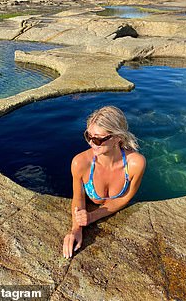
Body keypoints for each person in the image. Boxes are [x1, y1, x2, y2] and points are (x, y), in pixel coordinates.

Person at [63, 105, 146, 259]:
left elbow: (125, 198)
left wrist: (92, 217)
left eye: (98, 139)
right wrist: (76, 228)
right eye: (88, 137)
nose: (92, 143)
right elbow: (78, 198)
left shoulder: (135, 164)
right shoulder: (80, 163)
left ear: (117, 138)